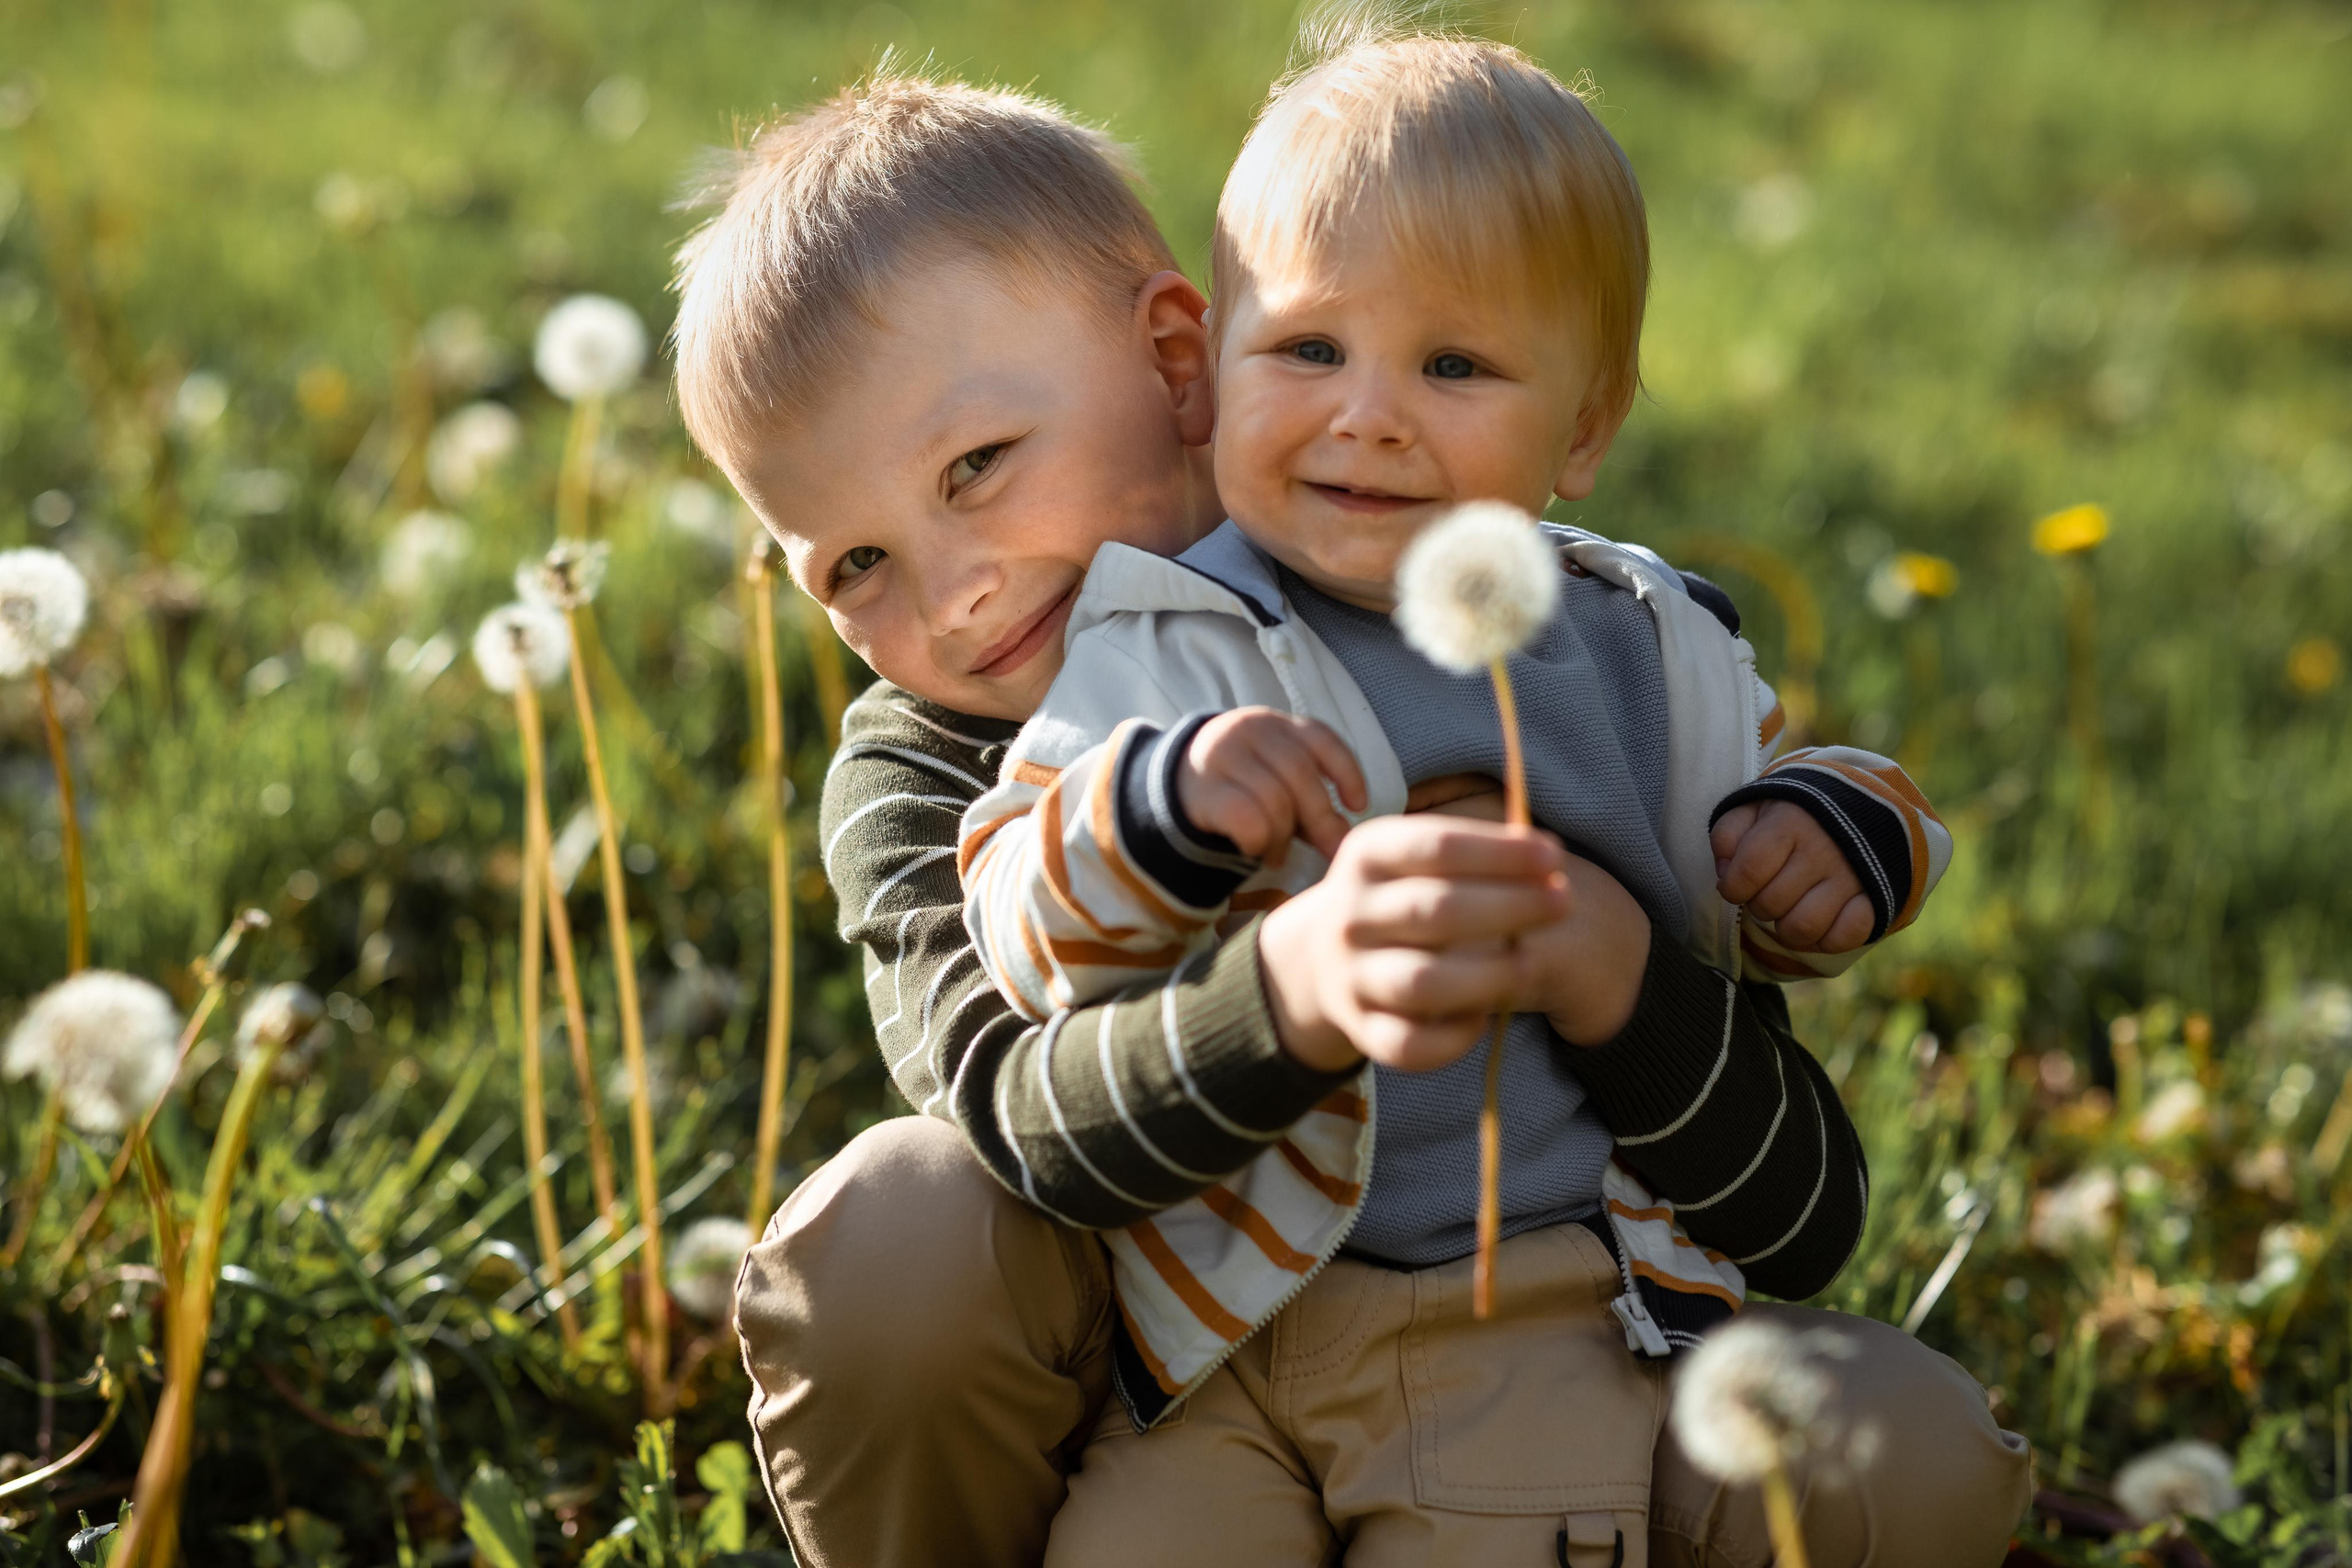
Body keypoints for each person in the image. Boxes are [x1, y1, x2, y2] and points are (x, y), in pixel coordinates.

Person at [668, 61, 2030, 1568]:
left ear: (1182, 363)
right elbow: (1030, 1126)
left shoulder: (1537, 632)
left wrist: (1716, 901)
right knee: (901, 1235)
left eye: (978, 468)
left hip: (1537, 1332)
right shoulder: (922, 765)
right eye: (852, 567)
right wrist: (1291, 984)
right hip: (1145, 1372)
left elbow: (1793, 1197)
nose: (949, 592)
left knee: (1907, 1454)